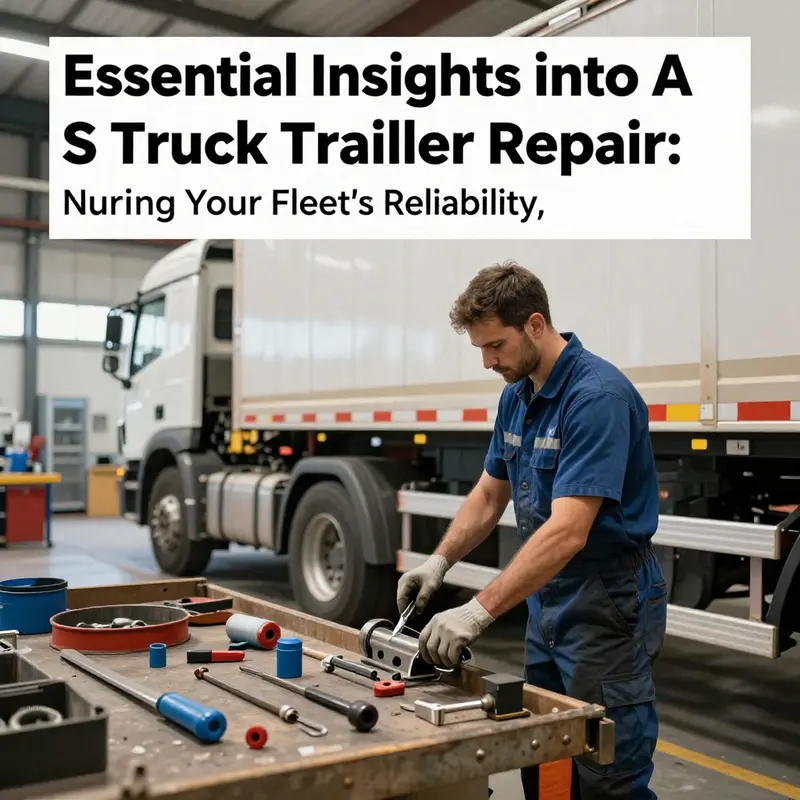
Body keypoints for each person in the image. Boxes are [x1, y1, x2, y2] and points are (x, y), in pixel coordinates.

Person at [396, 261, 668, 800]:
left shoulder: (595, 398)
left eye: (495, 345)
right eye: (480, 348)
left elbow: (568, 532)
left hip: (606, 601)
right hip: (548, 599)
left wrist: (478, 611)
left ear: (536, 325)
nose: (488, 361)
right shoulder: (516, 396)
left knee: (606, 770)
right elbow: (488, 495)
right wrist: (439, 562)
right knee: (544, 761)